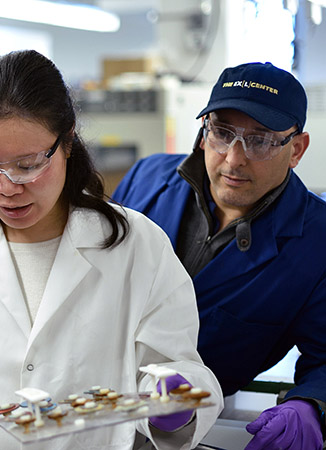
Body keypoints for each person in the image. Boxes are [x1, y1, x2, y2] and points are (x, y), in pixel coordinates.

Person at [0, 49, 222, 450]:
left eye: (28, 163)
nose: (6, 187)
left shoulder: (139, 247)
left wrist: (179, 401)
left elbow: (180, 371)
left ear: (67, 142)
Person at [112, 62, 326, 449]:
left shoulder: (318, 241)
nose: (233, 159)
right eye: (222, 133)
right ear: (202, 133)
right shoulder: (146, 179)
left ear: (297, 149)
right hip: (91, 407)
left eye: (259, 140)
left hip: (189, 428)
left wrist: (311, 404)